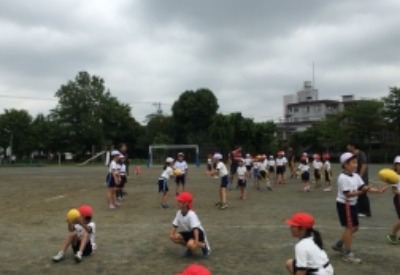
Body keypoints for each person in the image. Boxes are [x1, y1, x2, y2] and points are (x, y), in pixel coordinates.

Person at [332, 152, 386, 264]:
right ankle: (347, 253)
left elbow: (364, 187)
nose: (356, 164)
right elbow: (348, 194)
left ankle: (339, 244)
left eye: (356, 162)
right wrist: (362, 192)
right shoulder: (342, 178)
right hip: (345, 204)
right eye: (353, 162)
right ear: (345, 165)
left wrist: (378, 191)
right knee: (349, 228)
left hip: (352, 204)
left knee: (354, 228)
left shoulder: (356, 176)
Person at [169, 192, 210, 257]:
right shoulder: (179, 213)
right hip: (190, 232)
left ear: (185, 204)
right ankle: (190, 248)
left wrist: (196, 243)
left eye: (180, 201)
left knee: (191, 245)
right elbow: (174, 225)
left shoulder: (191, 214)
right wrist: (171, 235)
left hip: (199, 233)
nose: (178, 202)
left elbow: (196, 229)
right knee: (174, 238)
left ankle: (203, 246)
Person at [347, 141, 371, 217]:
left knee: (363, 194)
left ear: (353, 146)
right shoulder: (352, 155)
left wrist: (359, 177)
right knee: (357, 194)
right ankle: (359, 210)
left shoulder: (361, 154)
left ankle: (366, 212)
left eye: (348, 145)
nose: (347, 147)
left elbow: (364, 165)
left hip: (362, 178)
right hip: (355, 178)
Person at [386, 156, 400, 244]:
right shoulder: (393, 176)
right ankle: (392, 234)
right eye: (398, 164)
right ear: (395, 166)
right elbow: (394, 190)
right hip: (398, 198)